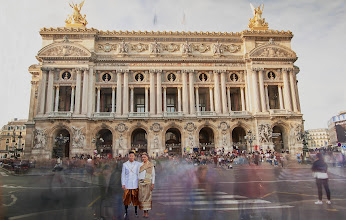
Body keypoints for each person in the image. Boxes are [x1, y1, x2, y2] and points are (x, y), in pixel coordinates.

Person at [121, 151, 141, 218]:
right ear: (128, 156)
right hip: (127, 184)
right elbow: (123, 175)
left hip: (135, 183)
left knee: (135, 199)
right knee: (126, 199)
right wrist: (123, 184)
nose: (131, 157)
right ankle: (126, 212)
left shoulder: (138, 164)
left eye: (132, 156)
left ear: (134, 157)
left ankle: (136, 212)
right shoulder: (125, 164)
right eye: (130, 156)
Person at [138, 152, 155, 218]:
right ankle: (143, 211)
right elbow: (137, 174)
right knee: (142, 197)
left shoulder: (151, 165)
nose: (143, 158)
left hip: (148, 182)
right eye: (142, 157)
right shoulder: (139, 165)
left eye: (144, 157)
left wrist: (152, 184)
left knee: (147, 197)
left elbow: (153, 175)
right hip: (141, 182)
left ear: (147, 157)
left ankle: (147, 212)